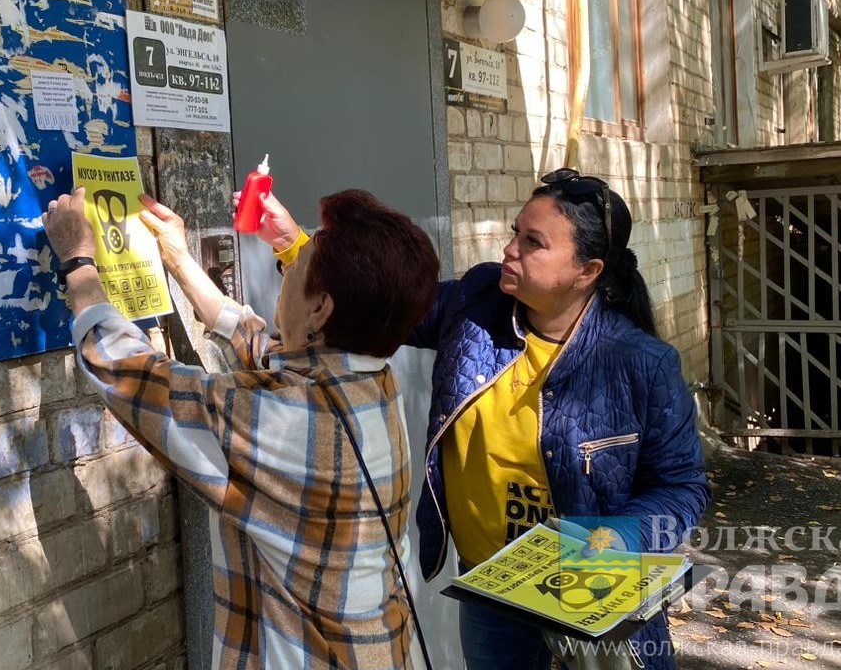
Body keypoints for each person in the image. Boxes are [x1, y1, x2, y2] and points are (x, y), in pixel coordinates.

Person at [244, 169, 711, 670]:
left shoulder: (641, 362)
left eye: (533, 243)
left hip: (590, 586)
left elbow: (682, 486)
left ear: (587, 271)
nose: (509, 249)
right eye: (515, 232)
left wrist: (616, 538)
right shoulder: (476, 301)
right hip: (493, 586)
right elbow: (377, 304)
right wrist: (297, 246)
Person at [43, 187, 440, 669]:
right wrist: (179, 258)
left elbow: (130, 373)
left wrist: (78, 261)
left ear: (320, 311)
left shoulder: (286, 419)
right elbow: (257, 341)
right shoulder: (370, 381)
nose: (287, 269)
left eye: (297, 265)